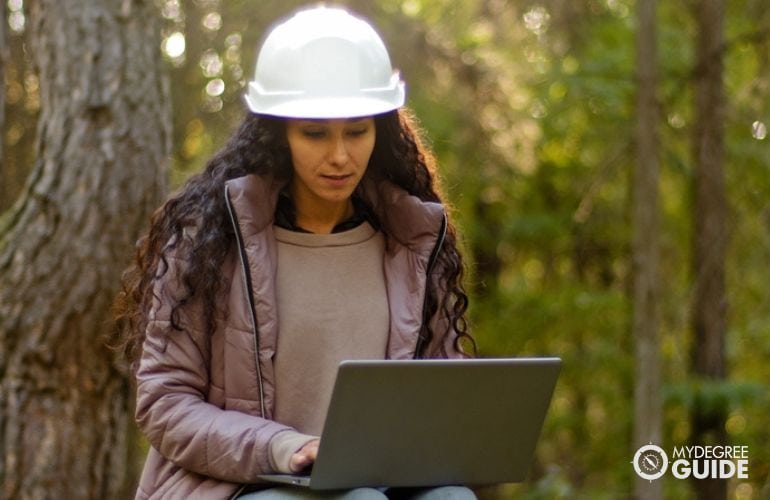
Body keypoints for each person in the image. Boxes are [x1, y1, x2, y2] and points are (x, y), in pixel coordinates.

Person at [116, 5, 476, 499]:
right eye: (314, 133)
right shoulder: (208, 239)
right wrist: (283, 447)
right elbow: (165, 401)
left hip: (377, 479)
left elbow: (446, 397)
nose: (339, 155)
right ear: (278, 133)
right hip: (242, 485)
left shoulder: (412, 239)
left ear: (381, 130)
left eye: (357, 130)